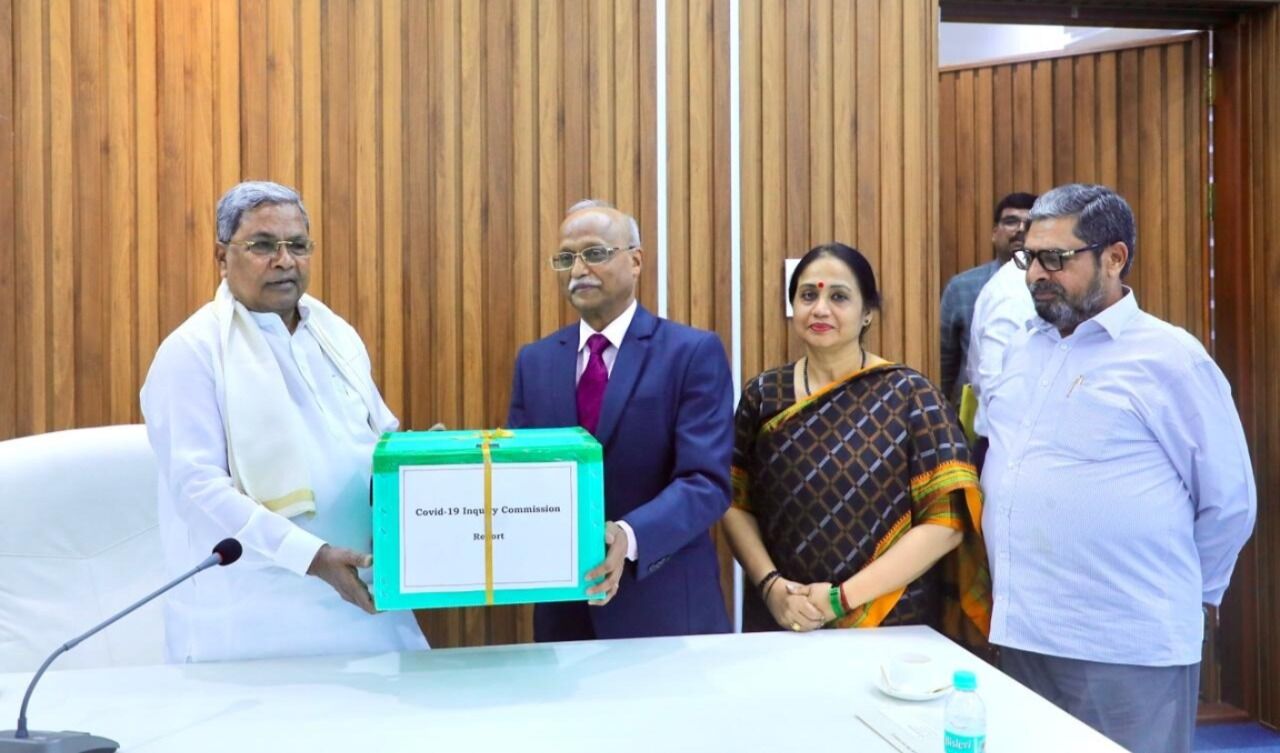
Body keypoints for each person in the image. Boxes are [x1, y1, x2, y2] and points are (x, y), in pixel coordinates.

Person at [981, 184, 1256, 753]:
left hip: (1127, 645)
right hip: (1024, 633)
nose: (1037, 274)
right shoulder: (1023, 350)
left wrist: (1189, 596)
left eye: (1056, 258)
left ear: (1114, 257)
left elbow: (1229, 502)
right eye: (1029, 258)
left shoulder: (1170, 358)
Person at [140, 181, 429, 662]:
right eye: (262, 245)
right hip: (255, 619)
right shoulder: (192, 352)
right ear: (222, 256)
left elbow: (379, 439)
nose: (284, 260)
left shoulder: (335, 333)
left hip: (365, 598)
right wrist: (312, 558)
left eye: (297, 245)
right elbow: (198, 490)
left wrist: (423, 462)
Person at [723, 243, 990, 643]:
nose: (820, 309)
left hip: (889, 622)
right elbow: (733, 501)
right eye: (808, 295)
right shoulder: (764, 394)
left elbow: (947, 522)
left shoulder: (910, 395)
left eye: (839, 297)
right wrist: (771, 585)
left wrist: (841, 598)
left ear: (868, 312)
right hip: (783, 619)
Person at [506, 200, 733, 641]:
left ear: (636, 261)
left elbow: (706, 481)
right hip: (565, 614)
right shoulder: (535, 362)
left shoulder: (690, 353)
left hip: (665, 612)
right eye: (566, 258)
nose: (578, 270)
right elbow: (518, 476)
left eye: (594, 253)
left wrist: (629, 536)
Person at [940, 192, 1036, 407]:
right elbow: (945, 362)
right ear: (994, 233)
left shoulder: (1055, 284)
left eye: (1029, 223)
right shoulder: (962, 287)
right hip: (972, 412)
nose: (1020, 229)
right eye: (1011, 221)